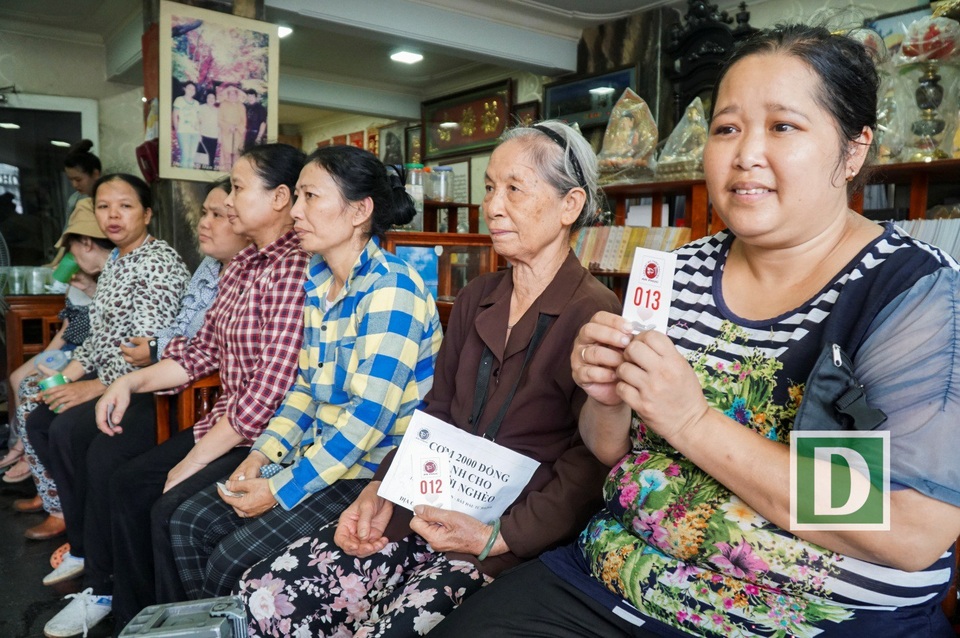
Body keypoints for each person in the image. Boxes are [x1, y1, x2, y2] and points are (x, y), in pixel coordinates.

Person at [433, 25, 960, 638]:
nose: (745, 155)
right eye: (727, 128)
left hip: (795, 617)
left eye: (783, 127)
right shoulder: (677, 271)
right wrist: (607, 395)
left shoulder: (910, 294)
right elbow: (611, 449)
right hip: (614, 578)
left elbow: (910, 531)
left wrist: (691, 421)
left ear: (852, 150)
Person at [235, 121, 622, 637]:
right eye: (488, 187)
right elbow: (435, 411)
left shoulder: (596, 313)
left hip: (508, 532)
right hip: (427, 501)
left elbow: (589, 461)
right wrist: (380, 488)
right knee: (266, 595)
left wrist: (500, 537)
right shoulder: (477, 295)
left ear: (569, 205)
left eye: (514, 189)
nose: (494, 205)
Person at [42, 145, 306, 638]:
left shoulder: (294, 267)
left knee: (167, 507)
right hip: (225, 421)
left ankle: (175, 625)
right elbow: (200, 349)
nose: (227, 201)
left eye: (237, 187)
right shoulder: (243, 264)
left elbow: (268, 393)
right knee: (127, 483)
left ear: (279, 198)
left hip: (267, 436)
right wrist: (129, 379)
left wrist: (192, 461)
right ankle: (136, 617)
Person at [169, 144, 443, 607]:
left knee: (228, 562)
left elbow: (367, 422)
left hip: (369, 473)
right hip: (320, 455)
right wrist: (262, 455)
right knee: (186, 523)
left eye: (310, 197)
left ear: (359, 211)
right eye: (296, 197)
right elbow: (303, 390)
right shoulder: (319, 280)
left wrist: (279, 488)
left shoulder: (392, 288)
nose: (295, 211)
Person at [22, 173, 190, 637]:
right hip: (114, 383)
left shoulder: (159, 262)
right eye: (104, 207)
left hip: (150, 394)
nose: (112, 216)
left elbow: (141, 352)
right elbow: (98, 338)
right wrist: (70, 378)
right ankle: (81, 545)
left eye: (125, 207)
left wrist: (93, 389)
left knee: (89, 446)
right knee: (42, 420)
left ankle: (101, 585)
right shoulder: (116, 259)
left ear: (147, 214)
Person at [7, 200, 113, 542]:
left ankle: (54, 499)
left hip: (98, 362)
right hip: (82, 353)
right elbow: (73, 327)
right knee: (24, 384)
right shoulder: (86, 273)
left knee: (32, 402)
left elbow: (101, 336)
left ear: (85, 243)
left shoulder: (120, 272)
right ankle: (45, 484)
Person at [172, 81, 202, 169]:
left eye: (193, 89)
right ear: (184, 89)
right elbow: (174, 116)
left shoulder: (196, 103)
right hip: (183, 132)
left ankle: (190, 176)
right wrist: (177, 130)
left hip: (195, 133)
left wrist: (199, 133)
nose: (191, 90)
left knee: (192, 157)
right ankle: (183, 178)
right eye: (189, 88)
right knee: (185, 155)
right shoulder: (179, 100)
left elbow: (198, 119)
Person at [218, 84, 246, 171]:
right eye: (231, 94)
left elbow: (244, 121)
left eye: (234, 94)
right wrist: (229, 126)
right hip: (227, 133)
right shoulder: (223, 105)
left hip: (238, 133)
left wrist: (237, 127)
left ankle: (235, 173)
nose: (232, 96)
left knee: (237, 153)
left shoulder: (241, 106)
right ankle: (225, 173)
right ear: (228, 95)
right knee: (226, 153)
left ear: (237, 95)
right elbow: (219, 119)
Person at [198, 90, 220, 170]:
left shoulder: (217, 110)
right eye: (209, 97)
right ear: (206, 98)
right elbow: (198, 122)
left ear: (215, 99)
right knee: (202, 158)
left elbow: (218, 125)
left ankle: (210, 173)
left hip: (214, 137)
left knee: (211, 157)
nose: (211, 99)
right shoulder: (201, 108)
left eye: (213, 98)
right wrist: (198, 134)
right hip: (203, 136)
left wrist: (219, 136)